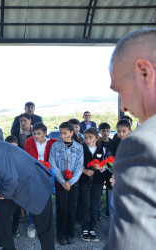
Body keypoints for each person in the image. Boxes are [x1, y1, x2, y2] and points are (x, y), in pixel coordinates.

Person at [104, 28, 156, 250]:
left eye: (120, 90)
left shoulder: (142, 144)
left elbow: (132, 243)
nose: (123, 105)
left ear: (145, 72)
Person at [49, 121, 83, 245]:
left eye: (65, 133)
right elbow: (53, 164)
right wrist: (63, 181)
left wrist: (71, 181)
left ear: (72, 133)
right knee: (61, 207)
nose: (62, 135)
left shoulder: (78, 147)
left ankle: (71, 233)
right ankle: (61, 234)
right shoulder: (55, 146)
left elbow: (79, 167)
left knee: (72, 208)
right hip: (60, 182)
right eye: (60, 133)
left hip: (73, 182)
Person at [24, 122, 58, 239]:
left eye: (39, 134)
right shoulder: (29, 142)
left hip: (48, 174)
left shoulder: (53, 143)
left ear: (45, 133)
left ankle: (45, 224)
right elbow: (26, 158)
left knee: (46, 200)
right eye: (34, 133)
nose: (36, 136)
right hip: (33, 174)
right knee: (33, 199)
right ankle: (32, 224)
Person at [102, 119, 131, 227]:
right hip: (113, 180)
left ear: (129, 130)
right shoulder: (112, 144)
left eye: (124, 131)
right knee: (113, 206)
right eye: (119, 131)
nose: (121, 134)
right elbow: (108, 160)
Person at [78, 128, 106, 242]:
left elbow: (106, 166)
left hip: (98, 181)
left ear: (97, 138)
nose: (88, 140)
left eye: (91, 138)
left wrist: (101, 167)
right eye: (86, 138)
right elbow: (77, 164)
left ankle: (92, 228)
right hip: (84, 180)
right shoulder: (81, 149)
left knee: (95, 204)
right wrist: (83, 171)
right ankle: (84, 228)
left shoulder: (102, 149)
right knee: (85, 203)